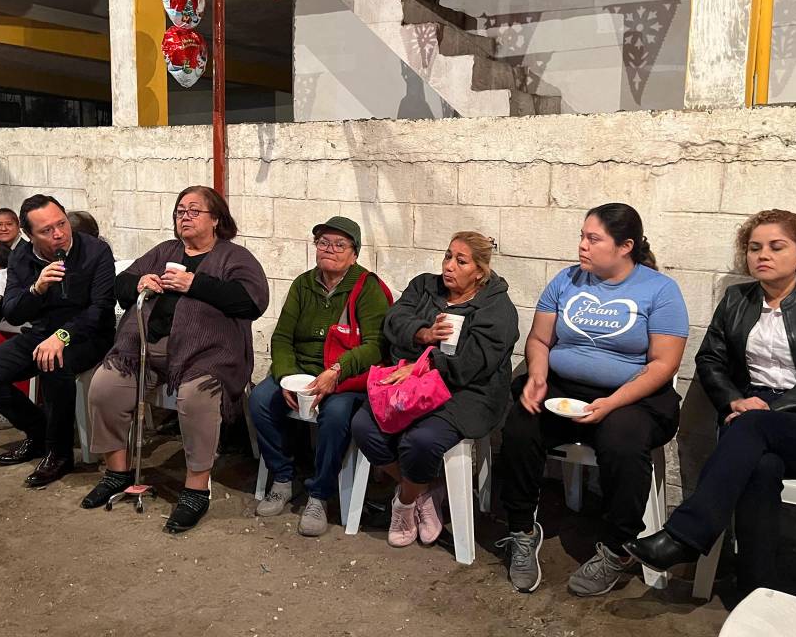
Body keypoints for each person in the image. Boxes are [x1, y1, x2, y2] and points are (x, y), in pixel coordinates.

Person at [625, 210, 796, 597]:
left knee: (752, 428)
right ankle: (756, 588)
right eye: (754, 247)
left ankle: (685, 535)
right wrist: (735, 400)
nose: (762, 255)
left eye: (777, 247)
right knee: (761, 465)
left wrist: (767, 411)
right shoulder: (736, 299)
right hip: (754, 423)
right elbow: (709, 360)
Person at [498, 203, 688, 597]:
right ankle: (520, 530)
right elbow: (539, 340)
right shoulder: (566, 280)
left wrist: (613, 402)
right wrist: (536, 376)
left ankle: (618, 549)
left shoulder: (659, 290)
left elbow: (664, 364)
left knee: (623, 439)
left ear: (625, 246)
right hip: (564, 386)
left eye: (593, 238)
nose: (582, 245)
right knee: (520, 423)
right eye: (582, 236)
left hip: (636, 395)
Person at [82, 186, 269, 534]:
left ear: (216, 219)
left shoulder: (234, 257)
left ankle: (196, 489)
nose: (184, 216)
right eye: (180, 210)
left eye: (194, 210)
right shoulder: (165, 251)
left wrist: (194, 284)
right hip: (142, 349)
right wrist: (139, 282)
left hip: (207, 355)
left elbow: (252, 302)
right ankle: (117, 473)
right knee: (104, 387)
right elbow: (119, 288)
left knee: (196, 398)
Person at [351, 232, 519, 548]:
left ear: (480, 271)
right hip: (412, 383)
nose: (449, 266)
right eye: (447, 256)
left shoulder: (497, 308)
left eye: (461, 260)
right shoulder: (425, 287)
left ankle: (402, 503)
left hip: (468, 392)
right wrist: (423, 333)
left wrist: (421, 367)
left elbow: (474, 363)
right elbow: (394, 319)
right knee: (363, 426)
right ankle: (423, 492)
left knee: (420, 440)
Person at [250, 216, 392, 536]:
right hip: (301, 369)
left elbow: (376, 346)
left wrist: (336, 371)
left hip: (344, 376)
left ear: (354, 254)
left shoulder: (367, 288)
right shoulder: (304, 283)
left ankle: (320, 493)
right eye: (323, 243)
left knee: (337, 413)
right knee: (259, 399)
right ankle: (283, 478)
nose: (329, 249)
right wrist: (286, 376)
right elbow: (283, 337)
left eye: (339, 245)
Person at [0, 194, 115, 487]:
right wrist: (37, 288)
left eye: (62, 224)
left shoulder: (95, 251)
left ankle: (59, 453)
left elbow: (100, 309)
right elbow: (14, 313)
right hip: (40, 333)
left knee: (53, 363)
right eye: (47, 230)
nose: (59, 233)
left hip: (89, 336)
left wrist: (62, 336)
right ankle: (39, 431)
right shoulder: (22, 256)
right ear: (30, 235)